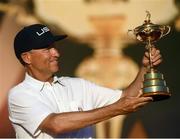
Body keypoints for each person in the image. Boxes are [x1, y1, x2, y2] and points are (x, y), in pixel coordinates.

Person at [8, 24, 162, 138]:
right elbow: (56, 125)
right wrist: (116, 109)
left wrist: (145, 68)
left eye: (54, 46)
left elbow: (127, 96)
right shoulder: (19, 95)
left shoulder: (77, 85)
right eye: (46, 49)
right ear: (27, 57)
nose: (56, 53)